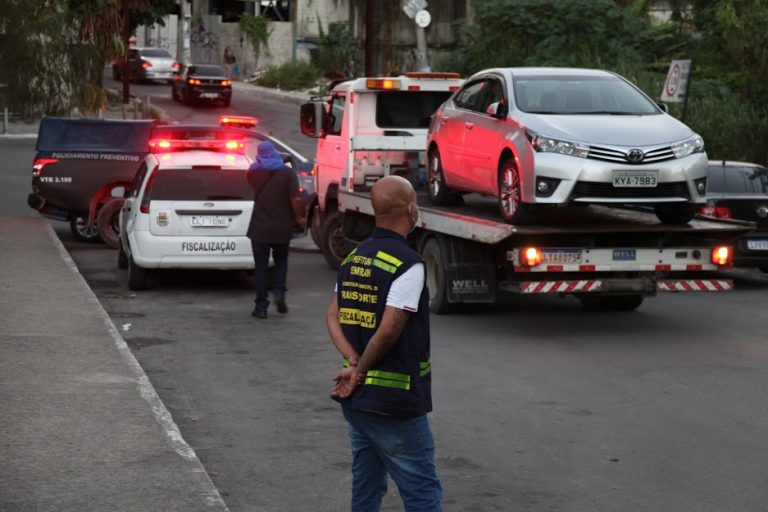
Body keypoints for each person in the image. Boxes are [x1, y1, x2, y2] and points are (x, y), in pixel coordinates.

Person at [326, 175, 443, 511]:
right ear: (410, 208)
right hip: (396, 402)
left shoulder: (354, 258)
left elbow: (332, 316)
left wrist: (351, 362)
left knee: (367, 486)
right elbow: (390, 330)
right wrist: (359, 368)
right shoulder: (408, 264)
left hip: (359, 404)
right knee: (423, 493)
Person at [246, 140, 306, 319]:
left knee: (261, 267)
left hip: (259, 228)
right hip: (282, 226)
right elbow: (296, 199)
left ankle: (261, 306)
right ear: (274, 153)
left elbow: (252, 178)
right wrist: (299, 218)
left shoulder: (253, 173)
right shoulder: (287, 173)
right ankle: (279, 292)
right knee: (281, 261)